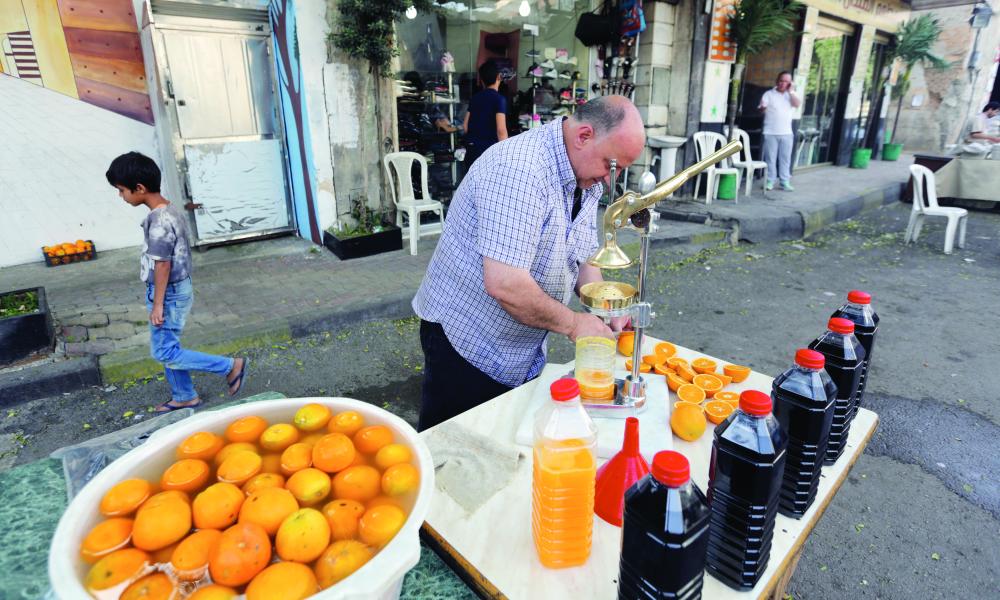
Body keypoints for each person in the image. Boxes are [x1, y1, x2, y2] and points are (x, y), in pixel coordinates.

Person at [412, 96, 646, 430]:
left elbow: (581, 256)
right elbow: (506, 284)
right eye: (613, 166)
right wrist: (574, 324)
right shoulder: (519, 170)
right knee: (453, 452)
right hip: (468, 343)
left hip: (520, 348)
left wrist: (605, 306)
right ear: (584, 136)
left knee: (505, 442)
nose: (613, 180)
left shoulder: (586, 173)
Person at [106, 152, 248, 412]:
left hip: (168, 293)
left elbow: (163, 264)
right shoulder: (170, 210)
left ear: (139, 188)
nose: (121, 196)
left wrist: (158, 304)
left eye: (122, 190)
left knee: (164, 352)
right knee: (168, 345)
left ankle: (229, 366)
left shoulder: (159, 221)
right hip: (176, 289)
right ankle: (184, 395)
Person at [759, 71, 801, 191]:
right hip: (770, 132)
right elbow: (762, 109)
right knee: (770, 158)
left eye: (787, 81)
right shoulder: (768, 94)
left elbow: (797, 104)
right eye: (781, 80)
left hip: (787, 132)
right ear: (777, 81)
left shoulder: (791, 95)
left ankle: (784, 181)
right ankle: (770, 181)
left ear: (790, 83)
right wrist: (762, 107)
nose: (783, 83)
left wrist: (791, 91)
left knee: (785, 158)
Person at [462, 59, 508, 168]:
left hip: (472, 150)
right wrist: (505, 152)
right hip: (489, 152)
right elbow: (501, 130)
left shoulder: (475, 98)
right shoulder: (499, 99)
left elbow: (465, 126)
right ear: (498, 77)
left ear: (482, 80)